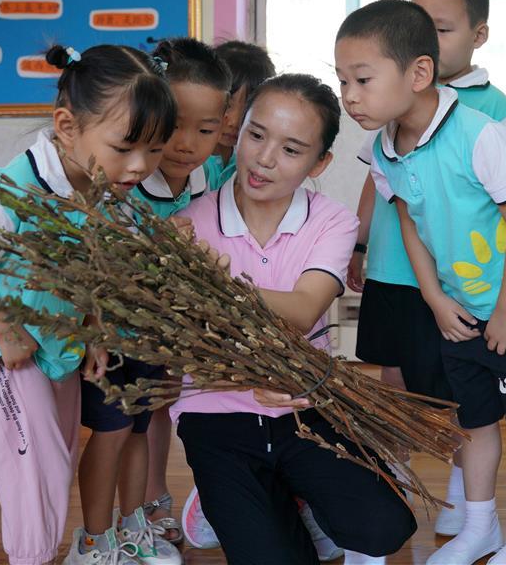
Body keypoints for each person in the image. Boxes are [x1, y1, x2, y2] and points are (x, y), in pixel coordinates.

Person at [337, 0, 506, 565]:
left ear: (418, 73)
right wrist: (435, 298)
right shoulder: (383, 148)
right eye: (343, 80)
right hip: (461, 309)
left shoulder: (481, 135)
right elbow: (410, 224)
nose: (349, 95)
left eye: (363, 79)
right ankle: (480, 528)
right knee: (472, 420)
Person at [0, 43, 178, 565]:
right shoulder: (14, 187)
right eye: (126, 147)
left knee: (55, 464)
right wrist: (2, 327)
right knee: (35, 477)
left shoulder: (102, 186)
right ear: (66, 126)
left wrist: (95, 328)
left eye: (154, 150)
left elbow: (90, 268)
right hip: (5, 354)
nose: (140, 166)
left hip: (56, 345)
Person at [171, 73, 417, 565]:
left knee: (384, 528)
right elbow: (189, 336)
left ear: (319, 162)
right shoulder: (187, 224)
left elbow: (305, 309)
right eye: (256, 135)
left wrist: (219, 277)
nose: (264, 159)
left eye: (291, 149)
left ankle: (292, 494)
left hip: (309, 404)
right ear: (237, 131)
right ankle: (222, 500)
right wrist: (248, 377)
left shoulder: (333, 221)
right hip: (216, 413)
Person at [350, 0, 506, 536]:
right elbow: (381, 186)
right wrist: (357, 242)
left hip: (448, 283)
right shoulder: (391, 110)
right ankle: (390, 486)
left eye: (440, 26)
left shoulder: (487, 108)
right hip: (393, 272)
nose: (427, 34)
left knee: (452, 389)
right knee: (396, 382)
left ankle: (462, 489)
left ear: (478, 34)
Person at [130, 38, 232, 546]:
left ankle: (184, 496)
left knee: (173, 400)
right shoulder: (127, 182)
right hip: (131, 322)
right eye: (173, 126)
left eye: (206, 129)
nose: (187, 143)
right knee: (142, 407)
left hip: (187, 321)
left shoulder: (210, 176)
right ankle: (145, 502)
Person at [203, 40, 276, 190]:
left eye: (247, 109)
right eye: (227, 105)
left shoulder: (251, 163)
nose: (235, 122)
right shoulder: (185, 159)